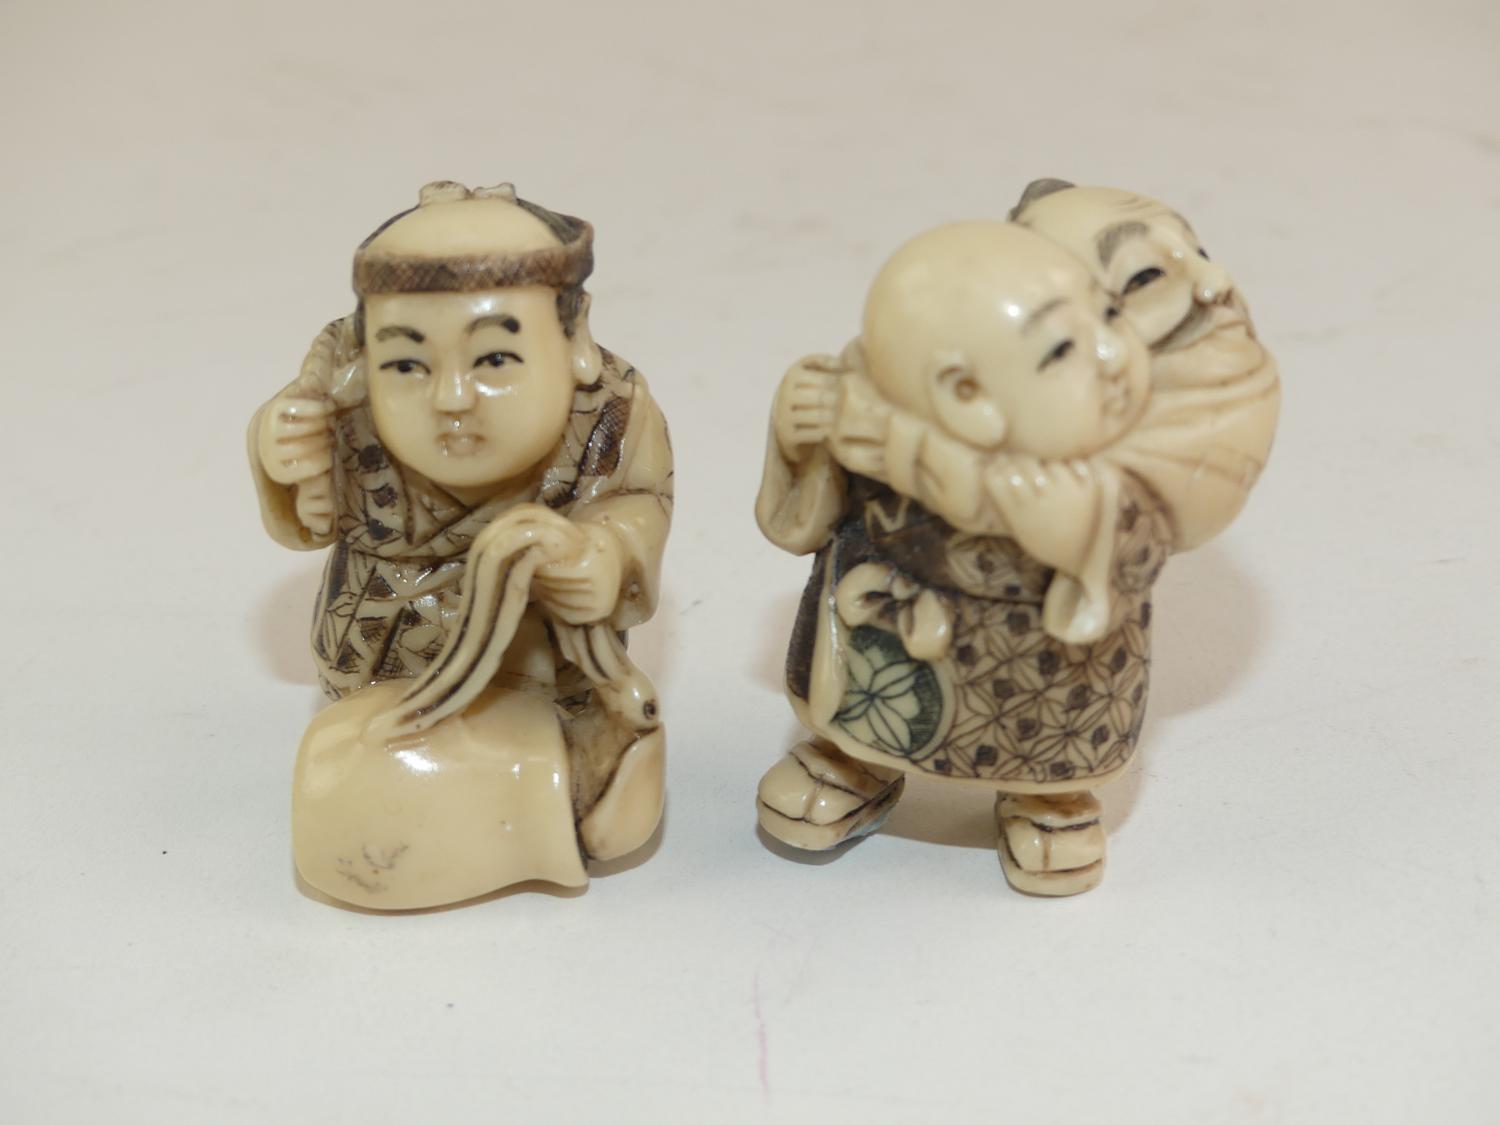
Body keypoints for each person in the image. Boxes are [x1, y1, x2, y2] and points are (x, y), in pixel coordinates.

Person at [249, 182, 673, 908]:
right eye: (407, 365)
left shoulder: (614, 410)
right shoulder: (340, 406)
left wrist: (602, 555)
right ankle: (515, 808)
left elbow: (641, 504)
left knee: (569, 733)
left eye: (495, 360)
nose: (450, 397)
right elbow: (307, 520)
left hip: (544, 662)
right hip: (381, 659)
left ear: (574, 338)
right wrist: (280, 452)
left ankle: (564, 791)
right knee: (359, 760)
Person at [756, 222, 1193, 895]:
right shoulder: (866, 409)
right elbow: (802, 524)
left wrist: (906, 446)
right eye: (1062, 349)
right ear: (964, 394)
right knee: (870, 698)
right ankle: (859, 763)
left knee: (1054, 734)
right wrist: (801, 439)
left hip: (1046, 658)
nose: (1113, 352)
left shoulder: (1123, 464)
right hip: (895, 623)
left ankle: (1047, 800)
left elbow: (1079, 528)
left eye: (1108, 314)